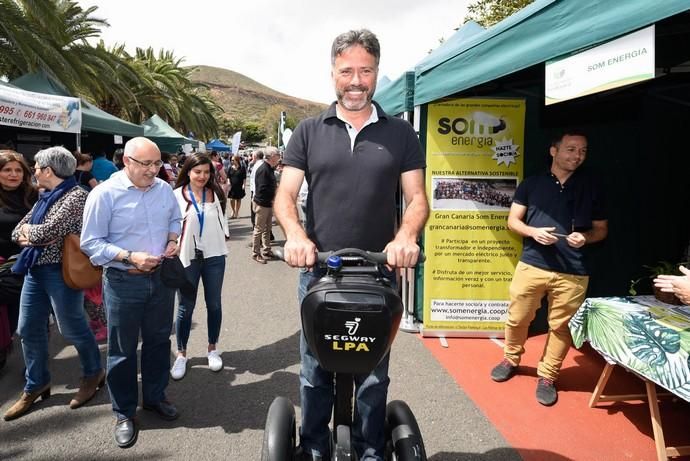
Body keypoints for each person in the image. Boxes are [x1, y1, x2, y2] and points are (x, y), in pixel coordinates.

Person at [274, 29, 429, 461]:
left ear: (377, 73)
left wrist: (406, 236)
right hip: (320, 271)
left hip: (378, 272)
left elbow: (416, 198)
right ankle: (315, 448)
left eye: (365, 70)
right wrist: (297, 237)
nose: (356, 80)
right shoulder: (307, 131)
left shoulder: (400, 133)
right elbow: (285, 196)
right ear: (333, 74)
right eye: (347, 71)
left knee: (374, 375)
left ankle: (369, 451)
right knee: (314, 371)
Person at [490, 130, 608, 406]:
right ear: (553, 151)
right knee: (517, 317)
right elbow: (513, 222)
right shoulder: (531, 184)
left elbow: (601, 230)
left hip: (574, 271)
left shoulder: (593, 187)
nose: (577, 156)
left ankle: (548, 376)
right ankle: (511, 358)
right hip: (532, 264)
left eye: (583, 151)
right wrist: (532, 232)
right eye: (571, 149)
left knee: (562, 326)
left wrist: (586, 237)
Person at [81, 137, 182, 449]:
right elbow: (91, 243)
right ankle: (124, 412)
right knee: (122, 350)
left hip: (161, 280)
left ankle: (154, 397)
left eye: (156, 164)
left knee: (158, 341)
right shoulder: (103, 195)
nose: (153, 170)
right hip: (124, 281)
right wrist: (129, 256)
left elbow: (175, 220)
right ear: (126, 161)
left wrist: (172, 240)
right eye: (146, 164)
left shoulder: (164, 189)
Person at [4, 146, 104, 421]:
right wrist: (31, 235)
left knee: (72, 328)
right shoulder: (44, 197)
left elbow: (48, 231)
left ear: (48, 171)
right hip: (35, 269)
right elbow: (19, 231)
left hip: (61, 272)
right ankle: (36, 384)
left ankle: (93, 372)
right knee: (27, 328)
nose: (33, 171)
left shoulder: (76, 197)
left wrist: (32, 234)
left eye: (36, 167)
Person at [169, 153, 229, 380]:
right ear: (188, 171)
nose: (202, 176)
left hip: (214, 256)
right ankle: (182, 354)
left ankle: (213, 348)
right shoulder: (176, 196)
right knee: (185, 306)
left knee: (214, 304)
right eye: (197, 172)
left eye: (206, 172)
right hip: (187, 258)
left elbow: (222, 221)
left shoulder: (216, 193)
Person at [0, 150, 38, 371]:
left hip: (27, 265)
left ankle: (35, 367)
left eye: (18, 170)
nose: (13, 174)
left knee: (26, 320)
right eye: (7, 170)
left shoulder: (34, 196)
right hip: (3, 266)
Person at [251, 147, 280, 264]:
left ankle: (266, 250)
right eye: (277, 155)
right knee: (259, 229)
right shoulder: (264, 169)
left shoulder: (269, 168)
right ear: (272, 156)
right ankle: (255, 253)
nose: (279, 157)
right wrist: (275, 195)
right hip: (262, 203)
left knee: (267, 229)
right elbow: (262, 189)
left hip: (267, 203)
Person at [227, 154, 246, 219]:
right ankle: (233, 211)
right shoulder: (230, 167)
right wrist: (229, 182)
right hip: (232, 186)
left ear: (237, 160)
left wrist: (244, 184)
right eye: (231, 160)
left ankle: (237, 212)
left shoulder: (242, 168)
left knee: (238, 199)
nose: (231, 161)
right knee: (232, 199)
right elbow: (228, 176)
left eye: (233, 160)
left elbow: (244, 177)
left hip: (239, 186)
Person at [248, 150, 264, 228]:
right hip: (256, 191)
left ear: (255, 157)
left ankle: (256, 226)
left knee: (257, 211)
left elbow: (255, 180)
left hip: (256, 191)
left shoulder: (257, 166)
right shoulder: (254, 165)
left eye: (253, 156)